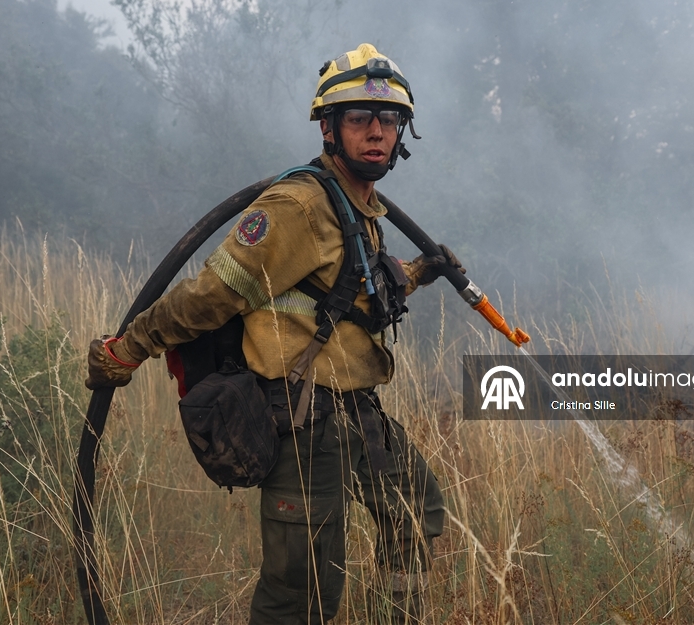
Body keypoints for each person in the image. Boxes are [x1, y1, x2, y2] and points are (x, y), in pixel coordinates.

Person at [86, 44, 461, 624]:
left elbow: (347, 299)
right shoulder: (296, 206)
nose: (377, 133)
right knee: (302, 595)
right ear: (329, 128)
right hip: (303, 418)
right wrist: (128, 349)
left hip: (355, 409)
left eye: (390, 120)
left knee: (412, 512)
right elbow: (213, 294)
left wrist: (415, 275)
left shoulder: (358, 206)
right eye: (360, 118)